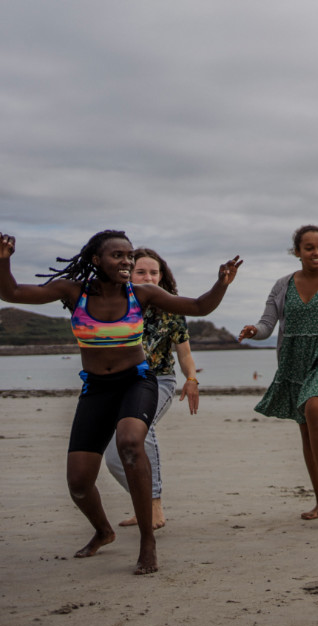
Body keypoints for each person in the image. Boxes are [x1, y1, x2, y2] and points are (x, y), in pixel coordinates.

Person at [0, 230, 240, 575]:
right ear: (97, 260)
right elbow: (11, 291)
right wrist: (4, 260)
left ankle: (147, 541)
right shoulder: (74, 291)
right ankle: (103, 530)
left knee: (130, 443)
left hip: (137, 381)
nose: (126, 261)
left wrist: (222, 282)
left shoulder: (142, 293)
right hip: (96, 389)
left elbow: (199, 306)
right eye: (117, 256)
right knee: (79, 483)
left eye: (129, 255)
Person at [239, 225, 318, 521]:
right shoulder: (282, 285)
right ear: (297, 252)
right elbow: (267, 324)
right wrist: (255, 331)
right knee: (306, 429)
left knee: (316, 408)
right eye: (309, 248)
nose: (316, 252)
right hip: (294, 362)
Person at [103, 248, 200, 530]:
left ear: (162, 276)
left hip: (159, 381)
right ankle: (143, 504)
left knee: (142, 432)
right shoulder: (114, 305)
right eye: (141, 272)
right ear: (128, 274)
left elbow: (184, 353)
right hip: (120, 385)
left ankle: (155, 507)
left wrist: (191, 379)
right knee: (112, 456)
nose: (148, 277)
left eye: (154, 272)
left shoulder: (171, 309)